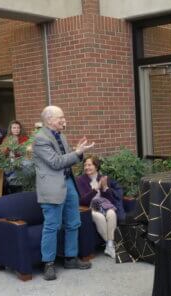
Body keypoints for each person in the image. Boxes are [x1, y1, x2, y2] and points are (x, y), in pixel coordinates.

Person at [33, 106, 93, 280]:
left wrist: (78, 153)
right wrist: (77, 153)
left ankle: (70, 258)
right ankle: (48, 264)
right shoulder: (40, 138)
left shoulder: (62, 136)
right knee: (52, 226)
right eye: (61, 117)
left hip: (69, 184)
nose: (64, 120)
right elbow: (56, 162)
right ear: (50, 119)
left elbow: (68, 160)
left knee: (74, 222)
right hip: (51, 188)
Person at [76, 156, 125, 258]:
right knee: (100, 217)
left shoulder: (102, 178)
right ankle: (110, 244)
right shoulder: (80, 180)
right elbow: (83, 201)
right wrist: (95, 189)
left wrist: (106, 188)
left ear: (96, 166)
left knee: (111, 213)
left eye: (89, 165)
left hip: (104, 205)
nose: (86, 167)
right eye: (85, 165)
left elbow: (111, 201)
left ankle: (109, 245)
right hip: (90, 207)